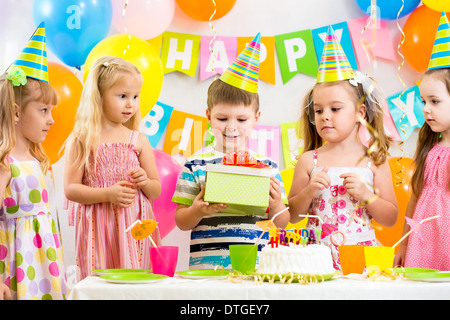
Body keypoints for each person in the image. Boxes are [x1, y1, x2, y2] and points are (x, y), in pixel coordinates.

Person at [172, 34, 290, 270]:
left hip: (257, 269)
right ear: (208, 116)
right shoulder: (196, 163)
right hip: (207, 270)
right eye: (222, 118)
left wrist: (276, 205)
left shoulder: (267, 167)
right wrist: (197, 210)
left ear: (256, 118)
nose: (231, 127)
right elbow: (181, 222)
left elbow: (283, 224)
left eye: (241, 119)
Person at [288, 26, 398, 269]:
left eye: (335, 109)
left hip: (361, 258)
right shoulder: (310, 161)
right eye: (318, 110)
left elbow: (390, 218)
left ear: (359, 113)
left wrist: (367, 195)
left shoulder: (374, 160)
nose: (325, 116)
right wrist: (308, 192)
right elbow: (292, 216)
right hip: (316, 258)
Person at [64, 56, 161, 280]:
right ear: (99, 97)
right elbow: (71, 189)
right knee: (101, 284)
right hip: (98, 228)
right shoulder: (82, 139)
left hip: (135, 227)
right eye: (122, 96)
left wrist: (145, 181)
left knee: (135, 285)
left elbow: (156, 190)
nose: (131, 104)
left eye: (135, 97)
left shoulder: (138, 140)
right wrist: (107, 194)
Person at [0, 23, 68, 299]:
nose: (51, 119)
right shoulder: (6, 163)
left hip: (45, 267)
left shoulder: (38, 160)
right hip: (18, 267)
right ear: (16, 112)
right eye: (43, 110)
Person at [394, 13, 450, 270]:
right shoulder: (429, 148)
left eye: (434, 101)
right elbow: (416, 197)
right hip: (423, 242)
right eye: (423, 101)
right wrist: (404, 242)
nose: (426, 109)